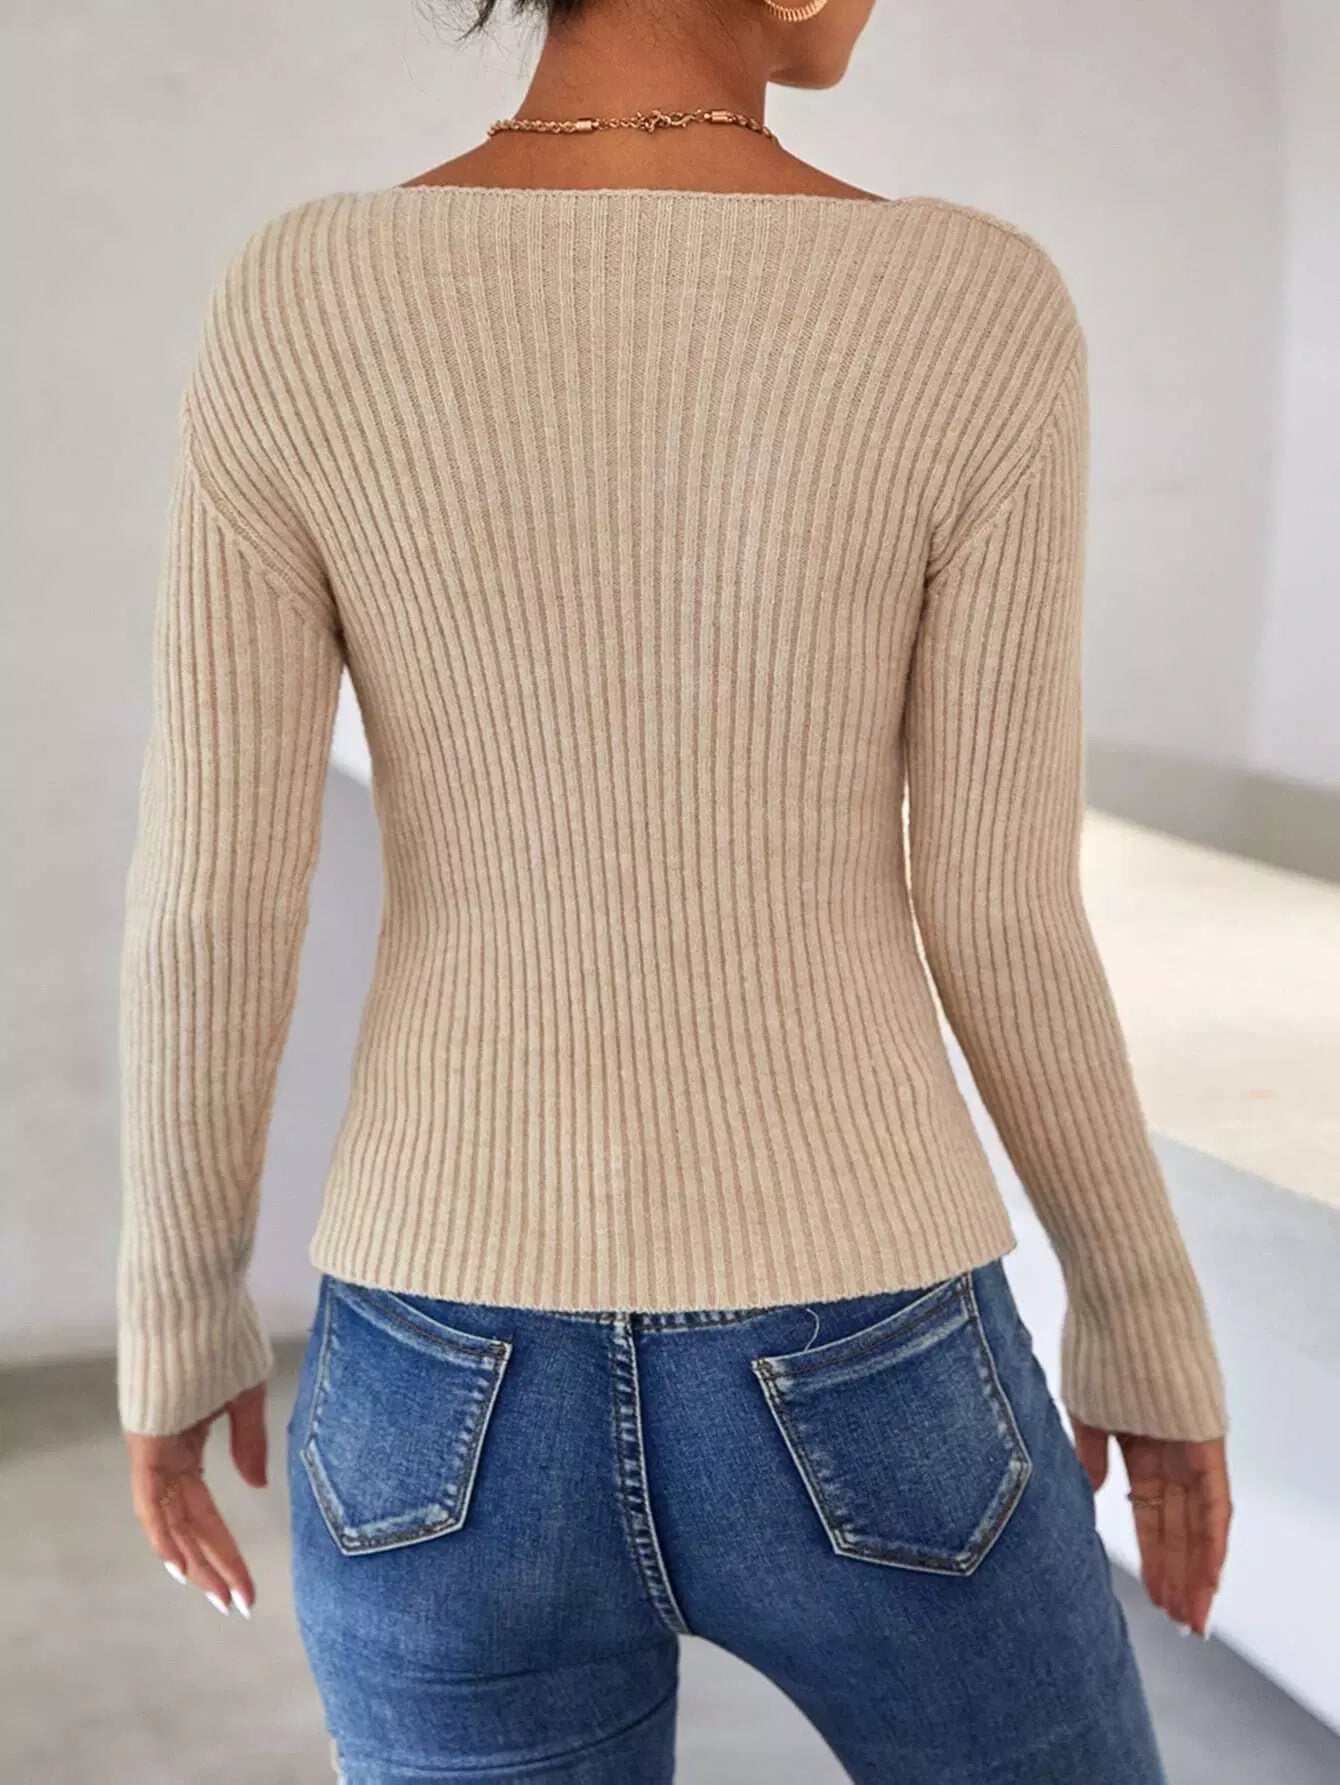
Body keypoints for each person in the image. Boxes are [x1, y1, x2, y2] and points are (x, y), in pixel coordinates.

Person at [116, 0, 1233, 1778]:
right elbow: (1002, 903)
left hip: (437, 1363)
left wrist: (178, 1316)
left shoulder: (300, 295)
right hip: (869, 1332)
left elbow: (211, 893)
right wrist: (1141, 1319)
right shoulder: (970, 304)